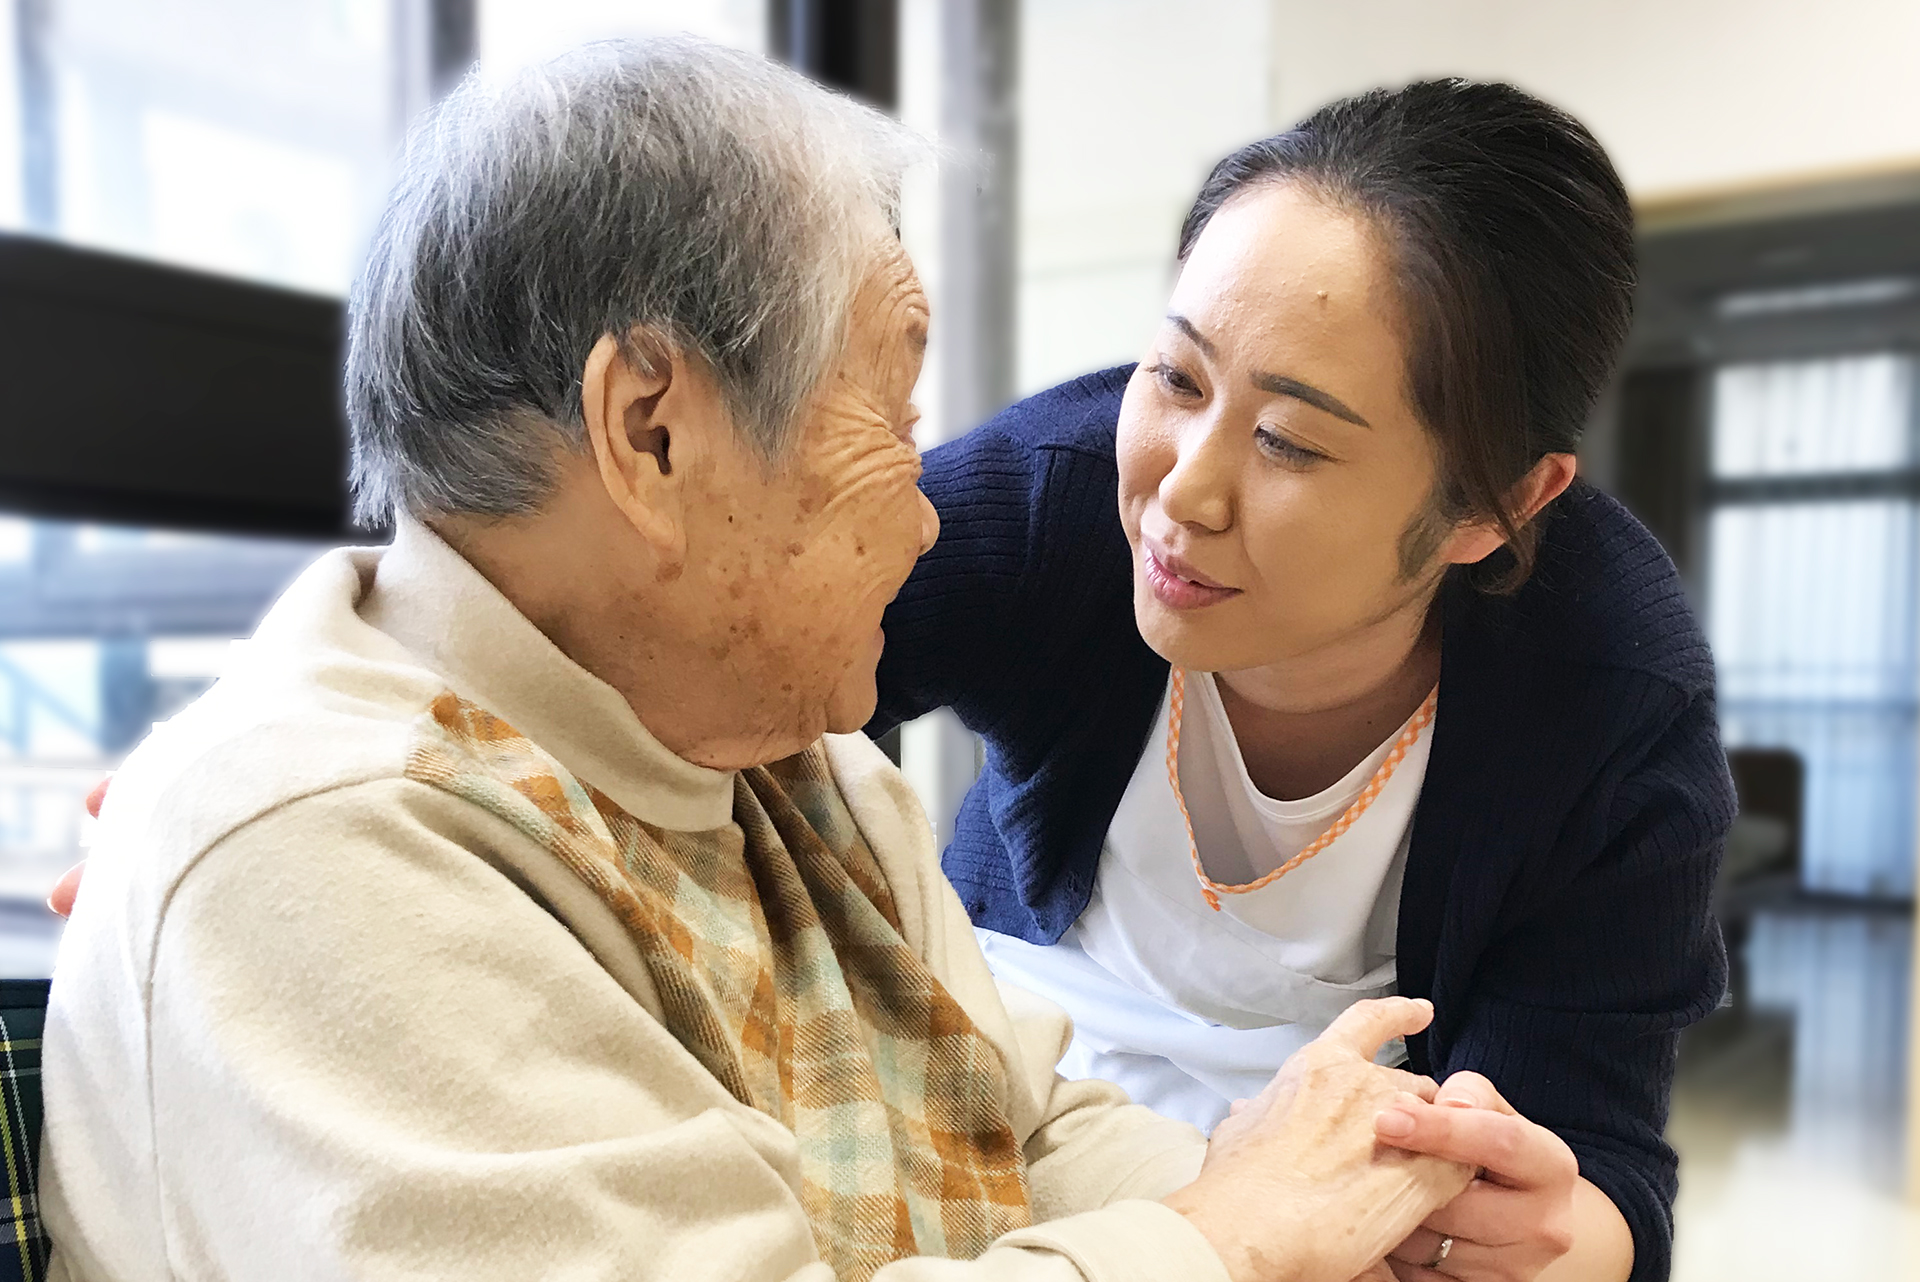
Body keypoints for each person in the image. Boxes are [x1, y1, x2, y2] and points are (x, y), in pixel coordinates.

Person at [38, 38, 1485, 1282]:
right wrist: (1222, 1237)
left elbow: (1020, 1125)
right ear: (652, 429)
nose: (927, 517)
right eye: (892, 411)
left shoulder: (790, 764)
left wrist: (1352, 1211)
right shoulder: (328, 852)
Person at [872, 82, 1731, 1282]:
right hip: (1005, 1083)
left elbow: (1596, 1170)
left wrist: (1534, 1230)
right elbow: (722, 677)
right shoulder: (1053, 502)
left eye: (1289, 441)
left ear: (1494, 506)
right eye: (1176, 376)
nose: (1182, 493)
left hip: (1342, 1181)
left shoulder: (1611, 695)